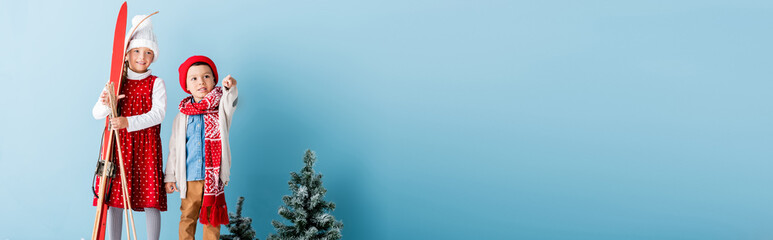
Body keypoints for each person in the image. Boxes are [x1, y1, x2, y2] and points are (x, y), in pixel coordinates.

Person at [92, 14, 167, 240]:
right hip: (119, 147)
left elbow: (158, 114)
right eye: (136, 51)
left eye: (148, 52)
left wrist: (128, 122)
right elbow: (96, 113)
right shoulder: (115, 82)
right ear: (126, 55)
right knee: (116, 197)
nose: (142, 57)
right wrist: (108, 103)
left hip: (147, 148)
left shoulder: (156, 83)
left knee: (150, 197)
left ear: (153, 57)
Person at [165, 55, 238, 240]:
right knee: (188, 217)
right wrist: (170, 176)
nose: (201, 82)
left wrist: (230, 88)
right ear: (187, 86)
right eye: (194, 78)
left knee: (211, 220)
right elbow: (174, 149)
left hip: (213, 177)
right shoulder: (182, 116)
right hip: (189, 177)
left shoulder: (220, 109)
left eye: (206, 76)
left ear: (214, 80)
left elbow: (230, 102)